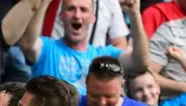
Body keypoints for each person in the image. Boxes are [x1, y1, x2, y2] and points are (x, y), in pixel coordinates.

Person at [18, 0, 149, 94]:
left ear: (93, 18)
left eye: (84, 10)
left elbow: (140, 63)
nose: (77, 15)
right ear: (61, 16)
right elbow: (27, 44)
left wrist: (134, 14)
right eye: (70, 9)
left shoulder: (104, 56)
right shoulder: (47, 48)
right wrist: (45, 2)